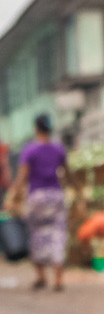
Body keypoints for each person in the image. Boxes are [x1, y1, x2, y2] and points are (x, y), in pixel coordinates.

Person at [9, 114, 73, 290]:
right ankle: (59, 279)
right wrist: (75, 189)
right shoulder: (58, 149)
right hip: (56, 197)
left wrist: (13, 196)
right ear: (50, 129)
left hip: (37, 198)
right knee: (58, 235)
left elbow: (22, 177)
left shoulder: (30, 150)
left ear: (36, 129)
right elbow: (67, 174)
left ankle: (41, 276)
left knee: (37, 235)